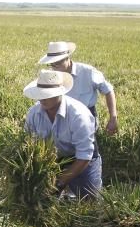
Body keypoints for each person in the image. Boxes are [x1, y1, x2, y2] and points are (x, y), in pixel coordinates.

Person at [24, 68, 102, 198]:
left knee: (89, 201)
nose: (43, 98)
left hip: (81, 159)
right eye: (41, 93)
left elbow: (84, 156)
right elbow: (28, 144)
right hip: (52, 159)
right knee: (42, 199)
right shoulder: (34, 113)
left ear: (60, 93)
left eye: (47, 94)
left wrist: (59, 183)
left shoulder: (78, 115)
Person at [39, 41, 119, 134]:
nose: (54, 68)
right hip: (61, 116)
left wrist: (113, 118)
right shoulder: (52, 76)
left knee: (85, 145)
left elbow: (108, 90)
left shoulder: (88, 72)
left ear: (67, 58)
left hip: (86, 117)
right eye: (51, 64)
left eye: (57, 63)